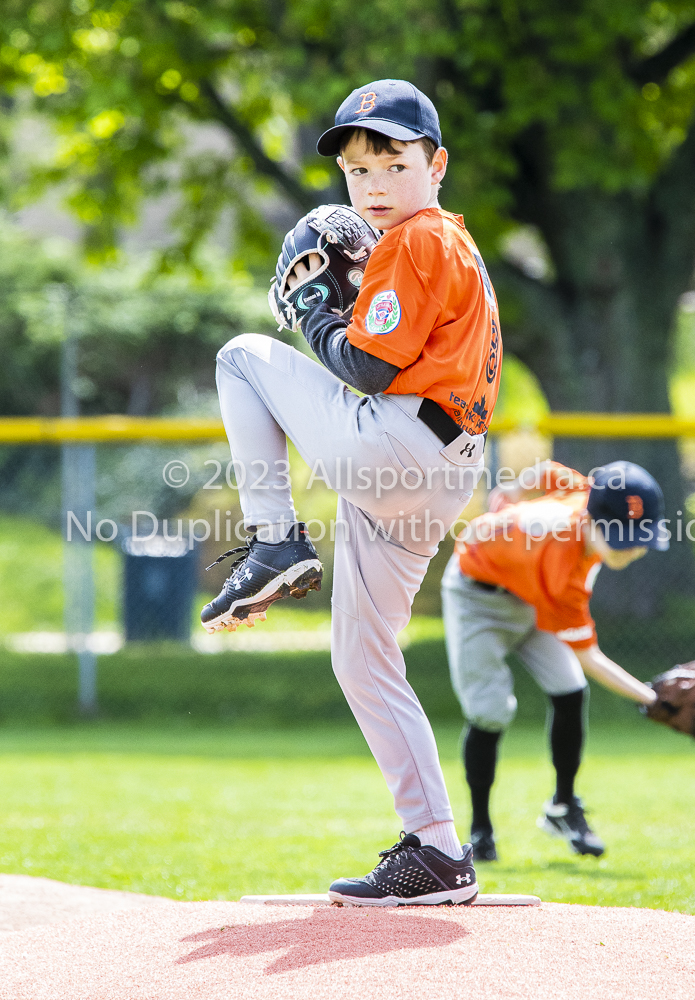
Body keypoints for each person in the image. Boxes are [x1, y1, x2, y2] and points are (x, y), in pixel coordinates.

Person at [202, 79, 503, 905]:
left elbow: (366, 366)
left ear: (436, 165)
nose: (373, 185)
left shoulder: (417, 236)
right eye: (357, 170)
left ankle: (274, 538)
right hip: (439, 473)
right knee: (363, 658)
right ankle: (440, 851)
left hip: (397, 443)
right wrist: (342, 304)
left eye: (393, 163)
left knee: (239, 356)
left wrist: (313, 311)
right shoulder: (453, 245)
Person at [441, 459, 665, 861]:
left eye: (641, 535)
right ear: (592, 521)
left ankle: (563, 807)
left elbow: (544, 471)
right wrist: (653, 699)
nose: (633, 547)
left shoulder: (586, 497)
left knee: (570, 688)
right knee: (489, 711)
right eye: (623, 536)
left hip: (529, 591)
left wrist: (512, 490)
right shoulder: (564, 568)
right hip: (476, 596)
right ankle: (480, 830)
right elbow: (591, 657)